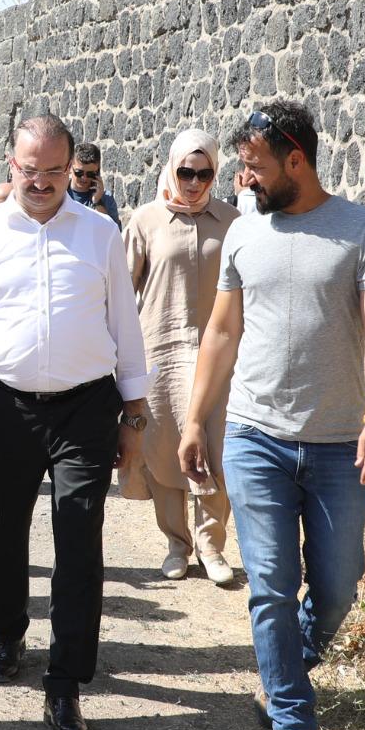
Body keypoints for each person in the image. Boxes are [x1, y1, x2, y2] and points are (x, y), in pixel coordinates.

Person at [180, 98, 365, 730]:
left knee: (337, 587)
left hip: (338, 444)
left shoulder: (362, 228)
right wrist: (195, 419)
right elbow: (222, 331)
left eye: (254, 166)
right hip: (255, 437)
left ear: (296, 161)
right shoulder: (244, 233)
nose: (243, 179)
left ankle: (284, 672)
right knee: (271, 587)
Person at [0, 114, 148, 730]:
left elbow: (125, 327)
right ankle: (7, 633)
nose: (43, 182)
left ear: (70, 169)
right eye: (31, 170)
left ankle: (65, 681)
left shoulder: (101, 233)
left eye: (55, 171)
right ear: (12, 165)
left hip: (87, 407)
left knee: (79, 532)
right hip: (7, 406)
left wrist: (134, 417)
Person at [121, 129, 242, 585]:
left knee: (217, 445)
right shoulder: (146, 221)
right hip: (161, 353)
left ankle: (212, 546)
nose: (194, 182)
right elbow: (121, 291)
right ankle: (177, 544)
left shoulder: (231, 222)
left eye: (204, 174)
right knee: (164, 450)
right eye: (186, 172)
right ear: (172, 168)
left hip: (219, 355)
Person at [67, 143, 120, 224]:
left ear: (97, 172)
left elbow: (113, 230)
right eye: (79, 173)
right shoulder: (60, 194)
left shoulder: (106, 199)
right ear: (70, 167)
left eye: (90, 174)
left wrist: (97, 202)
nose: (84, 178)